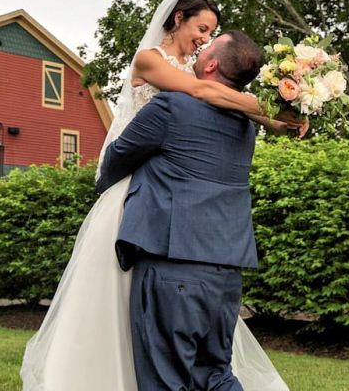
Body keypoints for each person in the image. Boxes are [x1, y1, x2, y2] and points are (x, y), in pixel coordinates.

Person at [20, 0, 292, 390]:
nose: (203, 38)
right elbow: (203, 93)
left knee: (167, 360)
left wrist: (275, 114)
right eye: (202, 28)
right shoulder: (155, 62)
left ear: (215, 62)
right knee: (212, 369)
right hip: (197, 232)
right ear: (178, 18)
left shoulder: (194, 90)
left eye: (211, 34)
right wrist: (270, 113)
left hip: (167, 226)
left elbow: (193, 104)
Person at [97, 31, 265, 390]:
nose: (201, 47)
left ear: (212, 64)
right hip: (226, 272)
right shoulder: (245, 126)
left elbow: (116, 159)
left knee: (165, 380)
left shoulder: (172, 106)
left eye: (209, 44)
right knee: (216, 374)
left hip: (173, 267)